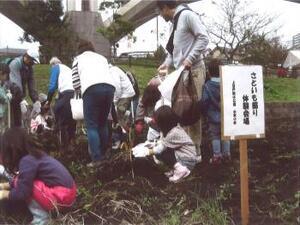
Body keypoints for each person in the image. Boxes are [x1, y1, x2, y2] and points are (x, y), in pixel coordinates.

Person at [156, 0, 209, 160]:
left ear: (165, 8)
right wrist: (166, 64)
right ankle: (187, 150)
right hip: (181, 73)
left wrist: (190, 58)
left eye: (160, 11)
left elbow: (204, 38)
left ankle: (196, 152)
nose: (160, 15)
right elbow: (173, 52)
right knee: (182, 110)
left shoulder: (187, 15)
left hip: (193, 71)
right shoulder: (174, 23)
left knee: (192, 110)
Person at [0, 127, 76, 225]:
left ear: (12, 149)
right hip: (68, 193)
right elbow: (22, 179)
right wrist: (6, 186)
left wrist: (4, 194)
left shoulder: (26, 161)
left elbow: (23, 192)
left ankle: (42, 220)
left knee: (29, 187)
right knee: (25, 181)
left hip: (63, 197)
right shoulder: (33, 157)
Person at [72, 40, 116, 167]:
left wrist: (80, 94)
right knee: (102, 123)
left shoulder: (78, 59)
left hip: (91, 89)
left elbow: (75, 83)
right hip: (109, 88)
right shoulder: (102, 58)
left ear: (79, 49)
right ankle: (104, 153)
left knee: (91, 125)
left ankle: (96, 159)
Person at [132, 105, 197, 183]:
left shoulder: (173, 133)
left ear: (164, 122)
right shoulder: (170, 129)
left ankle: (180, 170)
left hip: (187, 160)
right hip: (184, 155)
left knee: (161, 153)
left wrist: (146, 152)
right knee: (163, 151)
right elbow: (162, 141)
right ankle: (175, 169)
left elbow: (160, 149)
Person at [198, 59, 231, 164]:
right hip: (226, 116)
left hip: (213, 117)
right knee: (226, 135)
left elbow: (204, 101)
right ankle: (227, 154)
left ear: (209, 72)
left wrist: (204, 112)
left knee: (215, 136)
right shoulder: (227, 84)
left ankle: (217, 156)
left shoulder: (207, 85)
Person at [44, 57, 76, 150]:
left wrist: (48, 101)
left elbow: (52, 86)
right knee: (71, 119)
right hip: (75, 94)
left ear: (53, 64)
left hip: (66, 94)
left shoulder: (56, 67)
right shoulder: (67, 69)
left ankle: (62, 147)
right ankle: (72, 142)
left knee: (61, 119)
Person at [8, 48, 41, 127]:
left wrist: (36, 100)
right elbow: (15, 84)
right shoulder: (15, 64)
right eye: (32, 61)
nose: (33, 63)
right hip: (10, 94)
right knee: (12, 119)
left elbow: (31, 84)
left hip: (18, 95)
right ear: (27, 57)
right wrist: (21, 100)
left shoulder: (30, 67)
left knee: (20, 119)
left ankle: (19, 133)